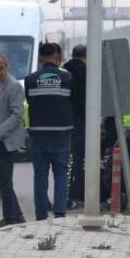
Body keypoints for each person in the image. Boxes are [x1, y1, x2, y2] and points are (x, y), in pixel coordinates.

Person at [25, 42, 74, 220]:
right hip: (62, 133)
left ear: (39, 58)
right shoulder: (67, 78)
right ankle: (60, 212)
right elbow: (73, 102)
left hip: (38, 134)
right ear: (58, 57)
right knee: (61, 173)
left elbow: (30, 101)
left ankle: (41, 213)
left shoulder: (30, 79)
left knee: (40, 175)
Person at [0, 54, 27, 227]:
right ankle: (17, 214)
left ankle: (10, 217)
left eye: (1, 68)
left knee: (4, 180)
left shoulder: (14, 86)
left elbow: (17, 115)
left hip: (7, 140)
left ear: (7, 67)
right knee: (2, 179)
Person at [62, 44, 87, 209]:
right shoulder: (86, 72)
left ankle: (63, 196)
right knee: (78, 161)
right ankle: (74, 196)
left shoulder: (62, 72)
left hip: (63, 122)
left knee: (64, 162)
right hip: (80, 122)